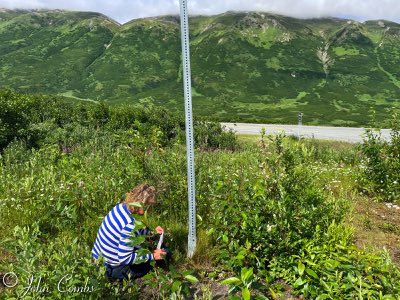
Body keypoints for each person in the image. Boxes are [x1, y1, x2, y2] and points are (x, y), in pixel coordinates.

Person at [92, 183, 167, 280]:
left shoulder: (121, 207)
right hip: (110, 268)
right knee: (154, 261)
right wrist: (153, 256)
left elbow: (136, 230)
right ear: (141, 206)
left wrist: (152, 233)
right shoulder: (129, 225)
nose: (150, 210)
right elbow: (125, 258)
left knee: (151, 248)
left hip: (98, 258)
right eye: (149, 206)